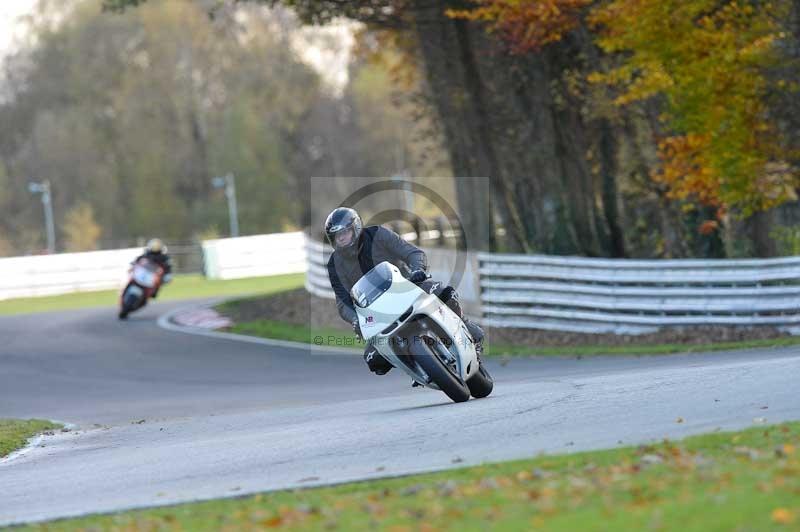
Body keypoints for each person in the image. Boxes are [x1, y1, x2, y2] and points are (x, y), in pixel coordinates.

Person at [324, 207, 484, 375]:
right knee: (373, 360)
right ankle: (415, 366)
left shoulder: (378, 234)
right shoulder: (334, 264)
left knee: (445, 293)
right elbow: (342, 302)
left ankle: (467, 328)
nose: (341, 238)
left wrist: (417, 269)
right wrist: (355, 319)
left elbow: (412, 253)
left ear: (355, 228)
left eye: (344, 232)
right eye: (337, 236)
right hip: (377, 313)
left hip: (408, 288)